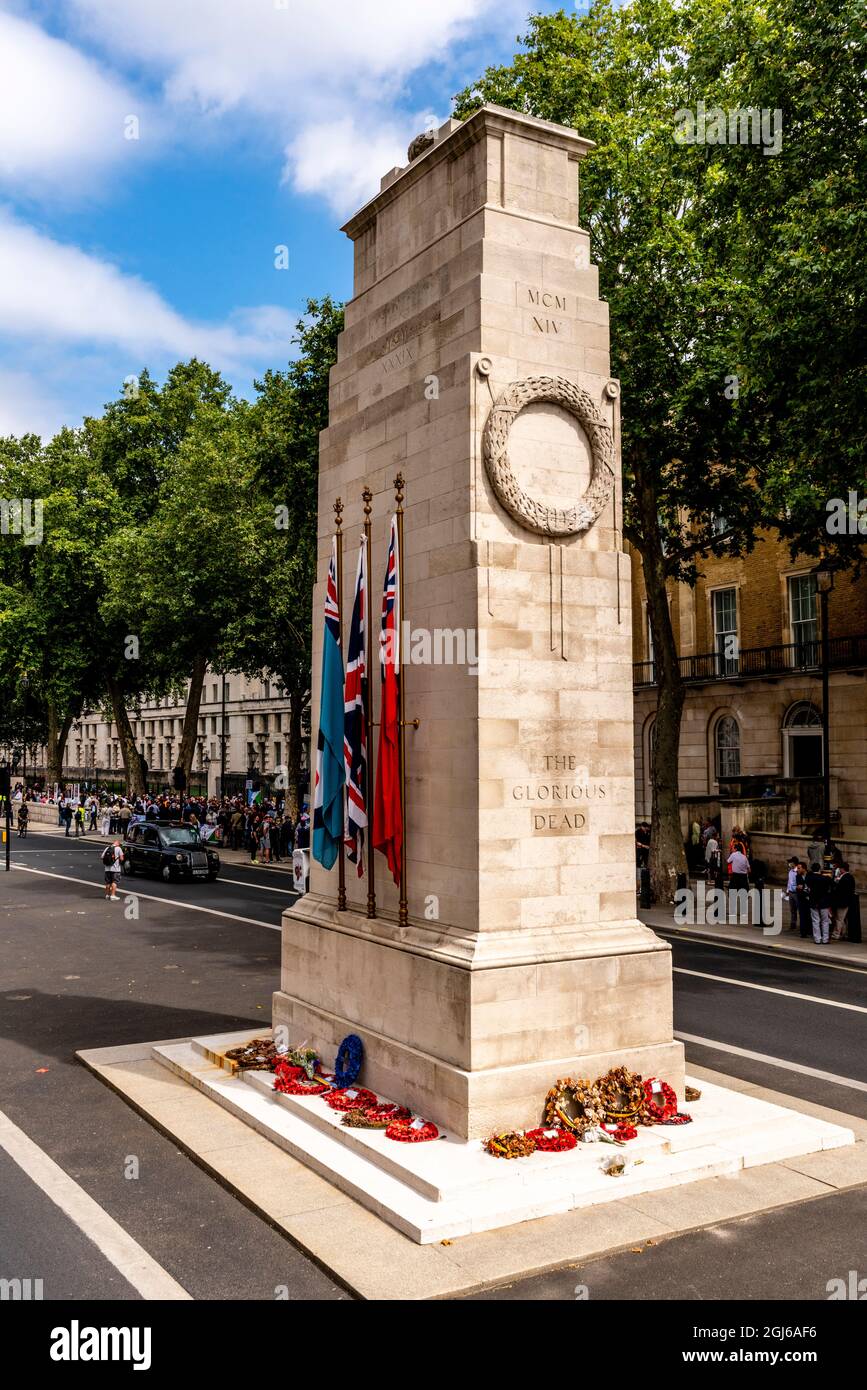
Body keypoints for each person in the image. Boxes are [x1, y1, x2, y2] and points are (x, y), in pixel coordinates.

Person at [805, 862, 832, 944]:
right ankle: (825, 939)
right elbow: (833, 885)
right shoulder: (825, 878)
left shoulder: (809, 878)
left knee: (815, 921)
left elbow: (807, 886)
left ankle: (817, 939)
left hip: (813, 901)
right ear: (819, 869)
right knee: (825, 921)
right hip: (824, 902)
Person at [831, 862, 856, 942]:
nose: (838, 870)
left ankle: (836, 934)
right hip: (845, 901)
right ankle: (843, 933)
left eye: (839, 868)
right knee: (842, 919)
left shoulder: (845, 878)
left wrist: (835, 883)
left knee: (839, 918)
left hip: (842, 902)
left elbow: (840, 890)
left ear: (842, 869)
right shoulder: (849, 877)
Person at [785, 856, 800, 932]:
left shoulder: (798, 871)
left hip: (797, 893)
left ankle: (802, 925)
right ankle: (793, 924)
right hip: (791, 892)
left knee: (800, 910)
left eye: (790, 862)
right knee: (792, 910)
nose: (789, 864)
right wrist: (787, 891)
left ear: (794, 863)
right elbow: (789, 881)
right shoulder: (790, 871)